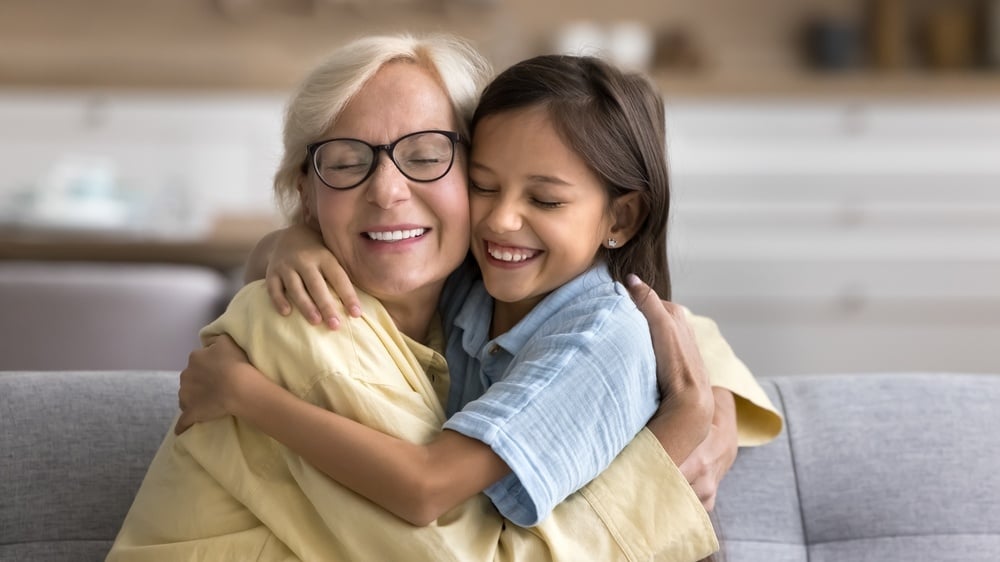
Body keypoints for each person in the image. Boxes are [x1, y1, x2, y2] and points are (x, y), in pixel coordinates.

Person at [109, 34, 777, 562]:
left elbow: (648, 322)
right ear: (305, 192)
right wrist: (664, 460)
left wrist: (704, 404)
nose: (388, 190)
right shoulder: (315, 320)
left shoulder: (477, 289)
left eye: (427, 155)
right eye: (345, 162)